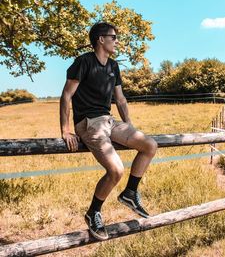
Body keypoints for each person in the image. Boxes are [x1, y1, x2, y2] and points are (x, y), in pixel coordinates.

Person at [60, 22, 157, 240]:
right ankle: (94, 211)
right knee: (116, 170)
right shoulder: (83, 62)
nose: (116, 41)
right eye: (113, 37)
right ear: (100, 39)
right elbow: (66, 96)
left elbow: (120, 99)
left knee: (150, 145)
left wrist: (129, 125)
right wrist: (66, 130)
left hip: (109, 122)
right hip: (89, 123)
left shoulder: (113, 66)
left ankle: (130, 193)